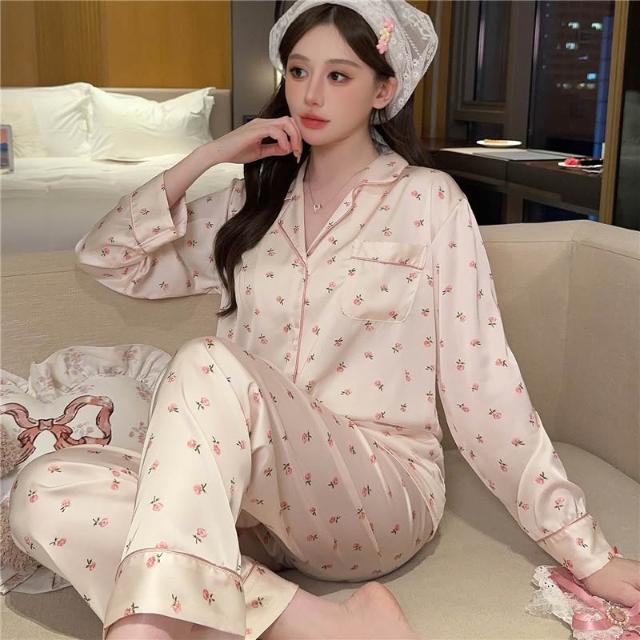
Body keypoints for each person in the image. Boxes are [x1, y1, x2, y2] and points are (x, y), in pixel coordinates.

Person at [9, 1, 639, 639]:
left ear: (383, 90)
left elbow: (482, 386)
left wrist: (587, 552)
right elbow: (106, 257)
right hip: (253, 514)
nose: (311, 94)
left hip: (377, 491)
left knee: (205, 361)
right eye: (298, 71)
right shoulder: (250, 204)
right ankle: (319, 622)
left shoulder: (427, 202)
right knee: (41, 493)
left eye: (339, 75)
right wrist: (211, 155)